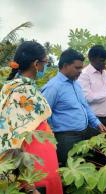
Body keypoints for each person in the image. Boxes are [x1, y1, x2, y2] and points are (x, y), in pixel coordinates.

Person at [0, 41, 62, 194]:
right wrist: (28, 184)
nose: (46, 66)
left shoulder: (18, 89)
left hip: (40, 160)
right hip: (32, 165)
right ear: (36, 64)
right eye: (45, 62)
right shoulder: (21, 92)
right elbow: (13, 139)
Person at [41, 48, 106, 167]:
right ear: (65, 66)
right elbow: (43, 115)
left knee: (86, 166)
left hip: (84, 132)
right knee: (71, 170)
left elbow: (85, 106)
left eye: (81, 68)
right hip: (66, 138)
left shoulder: (76, 84)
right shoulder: (53, 87)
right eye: (77, 68)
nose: (80, 71)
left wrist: (96, 122)